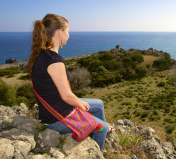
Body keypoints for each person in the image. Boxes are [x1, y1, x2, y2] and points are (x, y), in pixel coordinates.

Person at [24, 13, 111, 152]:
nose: (69, 35)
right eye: (68, 32)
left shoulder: (43, 55)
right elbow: (66, 96)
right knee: (102, 128)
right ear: (60, 32)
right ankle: (98, 150)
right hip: (57, 117)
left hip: (55, 107)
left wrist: (78, 103)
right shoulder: (54, 61)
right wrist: (79, 103)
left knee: (99, 104)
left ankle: (99, 129)